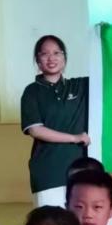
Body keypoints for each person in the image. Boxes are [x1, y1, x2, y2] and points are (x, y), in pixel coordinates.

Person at [20, 35, 90, 207]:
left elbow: (109, 72)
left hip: (81, 171)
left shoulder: (80, 86)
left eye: (56, 53)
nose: (51, 58)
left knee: (79, 221)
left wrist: (103, 36)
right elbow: (36, 130)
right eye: (44, 54)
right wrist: (75, 138)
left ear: (64, 59)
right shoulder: (32, 91)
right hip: (48, 172)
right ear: (38, 61)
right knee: (51, 221)